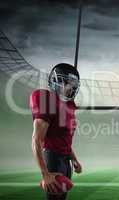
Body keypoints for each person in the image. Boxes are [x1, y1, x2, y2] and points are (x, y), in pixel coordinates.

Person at [30, 63, 82, 200]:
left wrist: (74, 159)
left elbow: (64, 140)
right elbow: (37, 139)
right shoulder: (47, 100)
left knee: (62, 198)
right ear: (55, 80)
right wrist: (45, 174)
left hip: (65, 160)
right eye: (66, 82)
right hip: (53, 158)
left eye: (72, 83)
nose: (70, 86)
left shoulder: (68, 107)